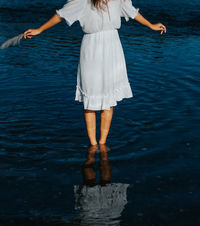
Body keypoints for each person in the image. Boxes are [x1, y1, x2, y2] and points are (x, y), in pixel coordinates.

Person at [24, 0, 166, 146]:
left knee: (109, 100)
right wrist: (39, 29)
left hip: (112, 47)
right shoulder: (82, 1)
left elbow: (132, 12)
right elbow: (61, 15)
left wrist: (151, 25)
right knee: (89, 98)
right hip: (91, 48)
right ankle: (92, 144)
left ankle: (102, 143)